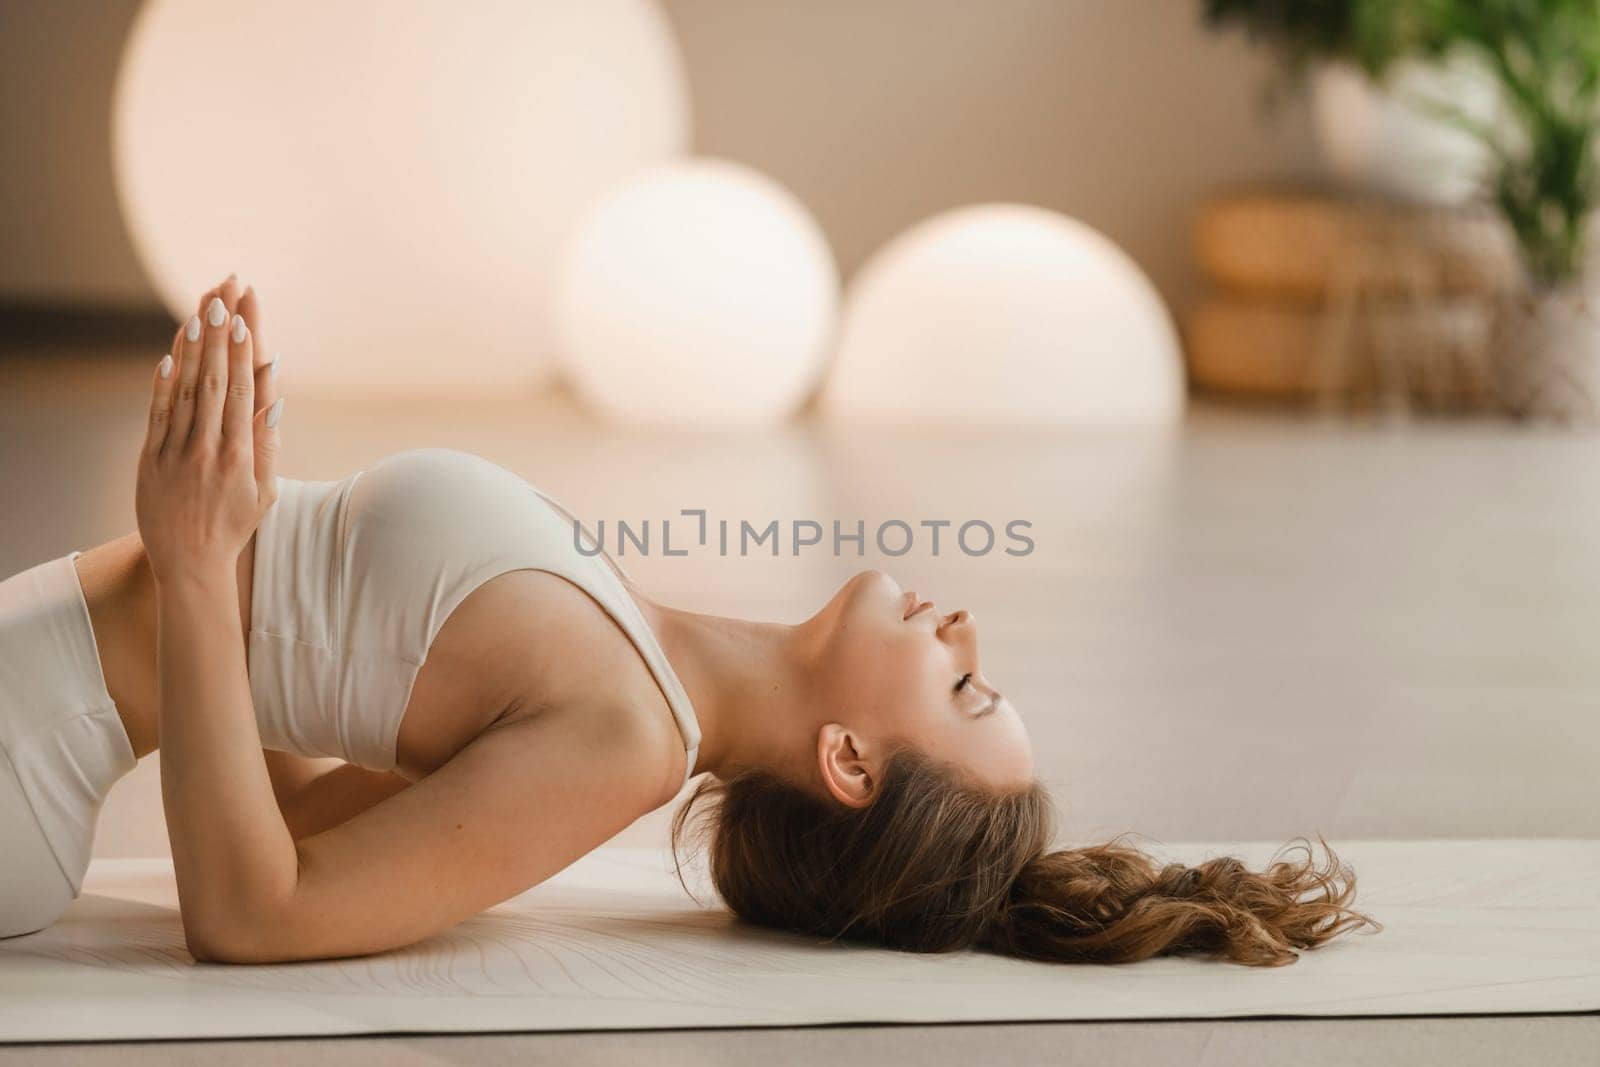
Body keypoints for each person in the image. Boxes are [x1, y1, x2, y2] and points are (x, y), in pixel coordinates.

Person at [0, 277, 1373, 964]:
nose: (959, 629)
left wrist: (195, 561)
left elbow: (256, 910)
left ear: (848, 761)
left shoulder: (625, 744)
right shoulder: (634, 653)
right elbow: (301, 815)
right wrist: (227, 532)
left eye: (963, 688)